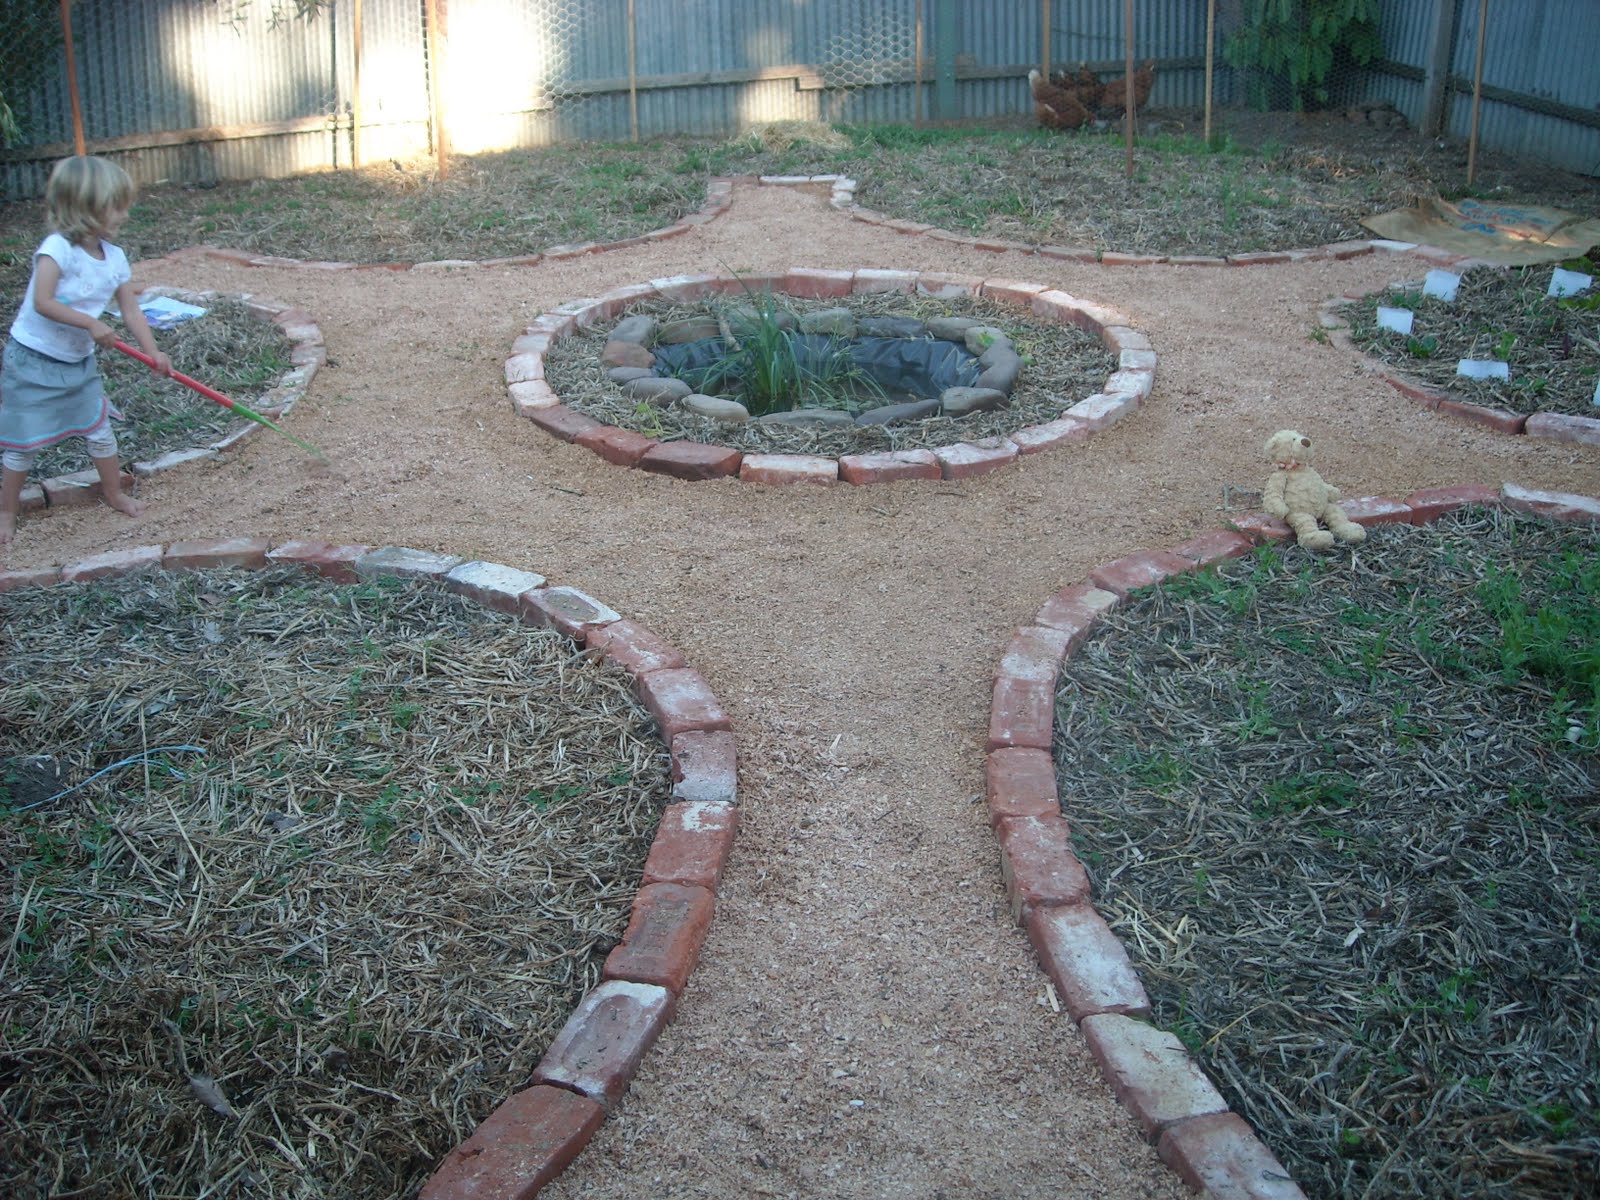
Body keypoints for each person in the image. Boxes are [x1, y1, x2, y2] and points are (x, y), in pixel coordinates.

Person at [0, 155, 171, 546]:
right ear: (85, 207)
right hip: (33, 362)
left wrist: (153, 351)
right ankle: (6, 511)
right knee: (21, 445)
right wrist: (91, 323)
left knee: (100, 431)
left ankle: (113, 493)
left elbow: (130, 309)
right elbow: (43, 301)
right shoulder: (56, 249)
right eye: (117, 205)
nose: (124, 214)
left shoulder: (115, 258)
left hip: (77, 363)